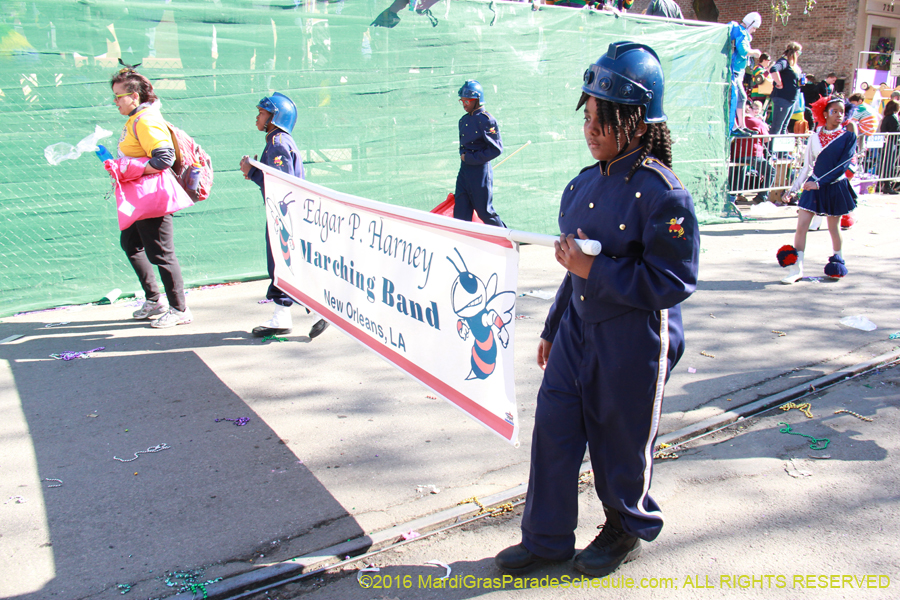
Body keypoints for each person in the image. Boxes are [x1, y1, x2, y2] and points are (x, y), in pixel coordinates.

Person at [494, 41, 700, 578]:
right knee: (555, 432)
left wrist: (597, 272)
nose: (592, 128)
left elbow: (673, 279)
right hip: (577, 332)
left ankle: (625, 527)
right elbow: (573, 264)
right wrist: (553, 326)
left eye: (605, 118)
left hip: (634, 340)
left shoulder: (664, 194)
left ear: (637, 121)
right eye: (588, 115)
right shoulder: (584, 183)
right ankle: (546, 539)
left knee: (620, 441)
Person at [240, 92, 329, 339]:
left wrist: (251, 172)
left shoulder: (278, 142)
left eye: (261, 113)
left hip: (284, 216)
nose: (257, 117)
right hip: (284, 215)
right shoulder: (276, 140)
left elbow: (283, 186)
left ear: (274, 117)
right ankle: (286, 315)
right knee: (285, 265)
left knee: (284, 264)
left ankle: (320, 311)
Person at [111, 67, 192, 329]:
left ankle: (179, 309)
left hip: (152, 197)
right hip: (140, 198)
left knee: (162, 254)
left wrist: (129, 168)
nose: (116, 102)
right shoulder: (136, 118)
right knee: (131, 244)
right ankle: (154, 299)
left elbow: (164, 158)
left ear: (134, 97)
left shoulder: (145, 120)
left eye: (118, 96)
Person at [777, 94, 858, 284]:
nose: (839, 115)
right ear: (824, 113)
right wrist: (793, 189)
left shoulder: (848, 137)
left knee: (833, 228)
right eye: (834, 111)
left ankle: (837, 261)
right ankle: (796, 269)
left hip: (835, 186)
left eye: (842, 112)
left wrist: (819, 183)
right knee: (801, 226)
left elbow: (843, 165)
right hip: (813, 186)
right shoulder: (814, 136)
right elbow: (806, 167)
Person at [455, 80, 505, 227]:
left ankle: (506, 241)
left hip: (480, 172)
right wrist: (464, 157)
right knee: (460, 213)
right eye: (462, 100)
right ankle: (462, 245)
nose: (464, 104)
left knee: (485, 212)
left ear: (477, 100)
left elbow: (496, 149)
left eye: (467, 100)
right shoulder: (463, 120)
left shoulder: (487, 120)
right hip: (464, 172)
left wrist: (470, 158)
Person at [730, 100, 774, 202]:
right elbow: (767, 139)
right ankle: (761, 197)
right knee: (771, 171)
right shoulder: (757, 122)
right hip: (754, 154)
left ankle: (735, 195)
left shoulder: (735, 122)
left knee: (739, 170)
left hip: (737, 154)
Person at [728, 12, 762, 134]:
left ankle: (740, 126)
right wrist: (754, 52)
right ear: (750, 24)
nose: (754, 31)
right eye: (754, 28)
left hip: (738, 72)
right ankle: (735, 126)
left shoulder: (742, 33)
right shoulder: (742, 33)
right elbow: (743, 50)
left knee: (741, 97)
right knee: (737, 97)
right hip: (734, 72)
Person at [769, 42, 804, 136]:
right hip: (782, 98)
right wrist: (779, 83)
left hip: (791, 99)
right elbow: (773, 69)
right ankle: (770, 150)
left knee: (784, 127)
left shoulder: (793, 65)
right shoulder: (784, 61)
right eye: (799, 53)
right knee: (777, 127)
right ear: (795, 52)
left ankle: (781, 151)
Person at [877, 99, 900, 194]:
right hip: (891, 144)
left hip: (886, 143)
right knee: (888, 165)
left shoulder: (886, 117)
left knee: (885, 164)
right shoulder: (893, 118)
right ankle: (886, 185)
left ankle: (883, 185)